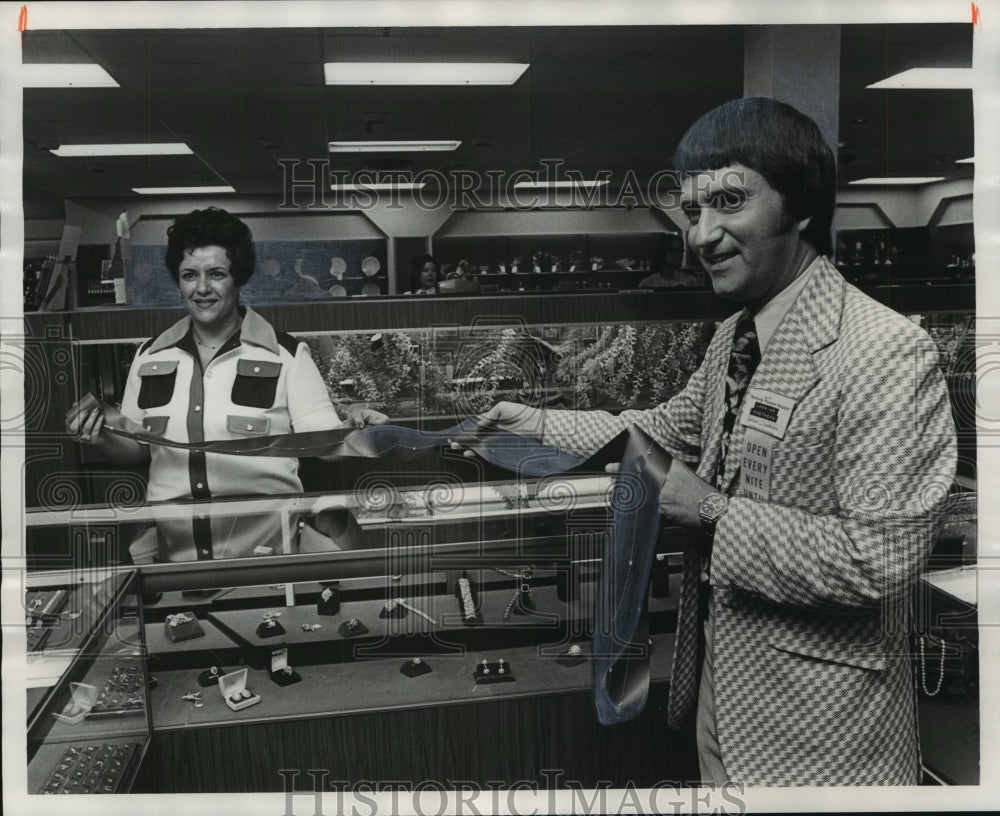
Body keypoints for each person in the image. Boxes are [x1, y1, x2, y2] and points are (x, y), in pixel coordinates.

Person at [466, 98, 957, 786]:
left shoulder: (885, 351)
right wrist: (537, 424)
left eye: (729, 202)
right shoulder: (735, 336)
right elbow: (660, 430)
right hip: (722, 700)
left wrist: (711, 510)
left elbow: (880, 560)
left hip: (823, 741)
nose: (702, 235)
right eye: (693, 210)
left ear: (801, 206)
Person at [65, 207, 387, 563]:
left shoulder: (287, 355)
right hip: (175, 559)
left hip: (268, 561)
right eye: (190, 275)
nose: (202, 288)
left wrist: (355, 427)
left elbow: (324, 441)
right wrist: (101, 436)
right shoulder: (149, 357)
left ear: (238, 278)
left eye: (216, 274)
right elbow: (137, 449)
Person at [638, 233, 703, 288]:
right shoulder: (647, 283)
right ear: (662, 252)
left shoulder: (690, 281)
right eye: (672, 250)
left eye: (680, 251)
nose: (678, 254)